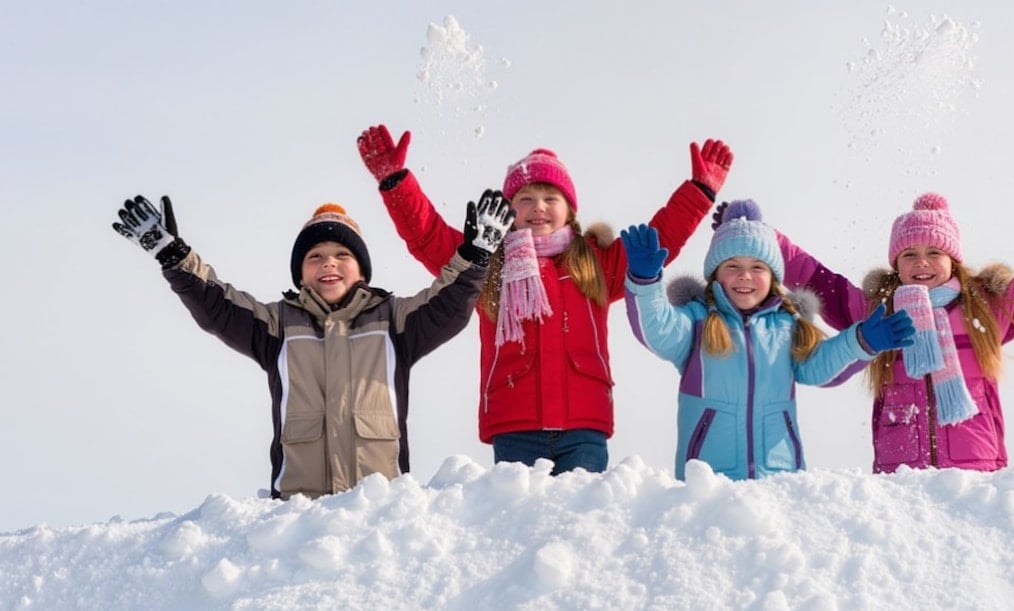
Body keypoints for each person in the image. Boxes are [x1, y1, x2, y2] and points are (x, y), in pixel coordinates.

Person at [355, 124, 733, 474]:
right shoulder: (486, 261)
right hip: (514, 423)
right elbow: (428, 236)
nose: (538, 207)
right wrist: (395, 182)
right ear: (508, 210)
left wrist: (699, 191)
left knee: (582, 523)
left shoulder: (597, 260)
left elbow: (662, 236)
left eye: (551, 197)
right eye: (526, 198)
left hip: (584, 425)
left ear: (570, 210)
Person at [111, 190, 513, 498]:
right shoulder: (277, 326)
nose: (329, 264)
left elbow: (449, 306)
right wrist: (173, 256)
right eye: (315, 257)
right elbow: (216, 304)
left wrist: (476, 257)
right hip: (298, 512)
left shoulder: (394, 321)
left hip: (381, 509)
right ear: (301, 274)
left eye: (342, 254)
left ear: (362, 270)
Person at [773, 191, 1014, 473]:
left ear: (952, 259)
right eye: (909, 255)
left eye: (933, 254)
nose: (921, 263)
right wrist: (763, 241)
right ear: (896, 264)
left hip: (976, 473)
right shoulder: (878, 312)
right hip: (899, 476)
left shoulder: (987, 309)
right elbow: (816, 278)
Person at [620, 200, 916, 481]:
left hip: (779, 478)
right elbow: (657, 328)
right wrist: (645, 284)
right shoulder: (696, 323)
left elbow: (818, 367)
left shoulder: (786, 325)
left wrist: (861, 341)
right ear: (715, 274)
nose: (745, 276)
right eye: (732, 266)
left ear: (773, 276)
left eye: (757, 267)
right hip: (708, 481)